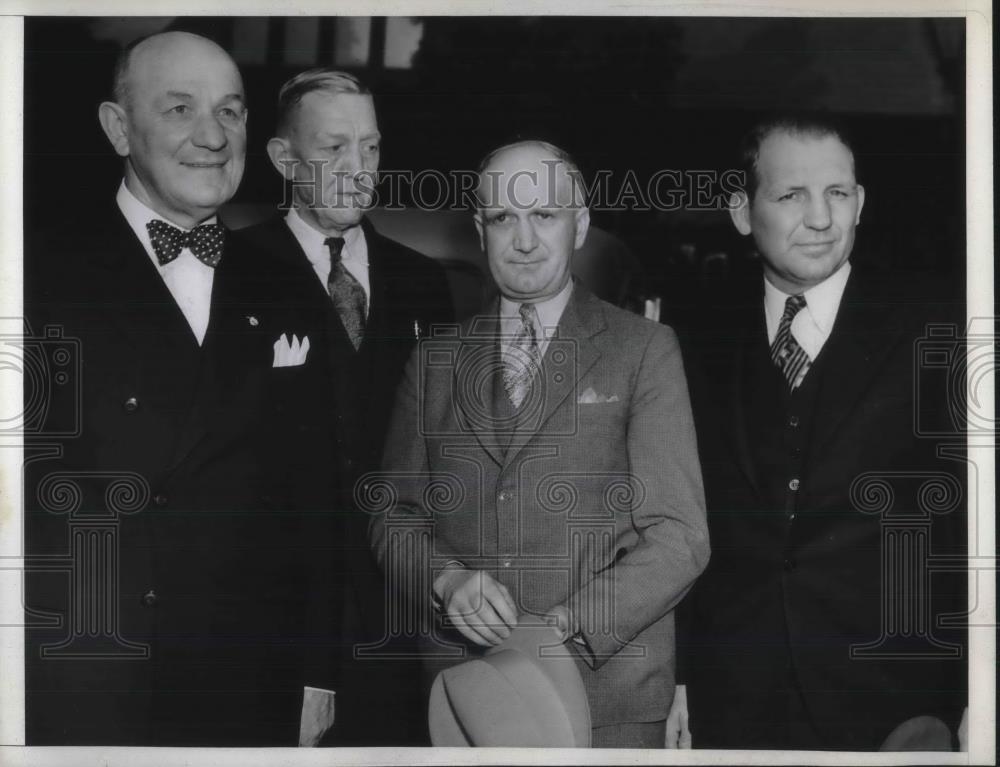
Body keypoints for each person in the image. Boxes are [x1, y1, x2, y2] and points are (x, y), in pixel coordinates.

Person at [24, 31, 338, 746]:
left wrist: (319, 674)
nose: (212, 136)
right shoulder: (38, 274)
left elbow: (317, 501)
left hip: (247, 681)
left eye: (230, 112)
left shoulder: (286, 283)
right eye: (179, 109)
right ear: (117, 127)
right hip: (86, 678)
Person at [369, 140, 709, 748]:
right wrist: (445, 581)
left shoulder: (644, 349)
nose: (524, 240)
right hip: (467, 700)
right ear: (480, 229)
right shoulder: (434, 362)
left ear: (579, 225)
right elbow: (393, 517)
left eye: (544, 215)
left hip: (606, 698)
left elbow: (679, 536)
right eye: (503, 218)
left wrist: (562, 630)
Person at [671, 114, 967, 750]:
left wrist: (972, 693)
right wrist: (681, 680)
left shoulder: (939, 327)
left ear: (860, 203)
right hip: (735, 701)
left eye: (837, 193)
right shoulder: (692, 334)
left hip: (895, 700)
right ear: (742, 213)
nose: (821, 218)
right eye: (790, 195)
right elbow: (682, 519)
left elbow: (970, 526)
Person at [238, 69, 454, 744]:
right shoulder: (230, 274)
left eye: (371, 148)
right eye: (333, 149)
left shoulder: (425, 282)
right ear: (283, 158)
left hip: (404, 622)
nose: (357, 170)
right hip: (275, 628)